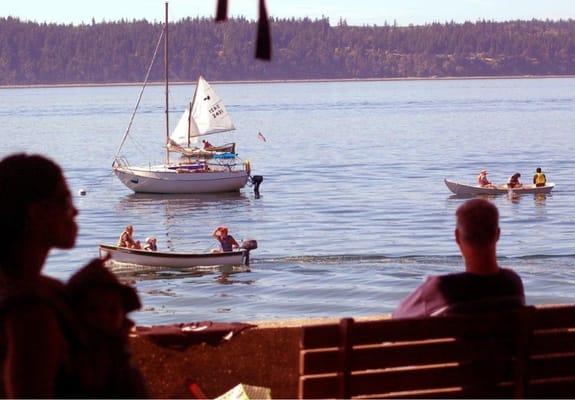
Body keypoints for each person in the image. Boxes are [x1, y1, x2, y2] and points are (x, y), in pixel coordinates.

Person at [393, 199, 525, 318]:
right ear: (497, 234)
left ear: (457, 236)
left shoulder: (438, 289)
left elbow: (398, 318)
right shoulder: (512, 283)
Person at [66, 261, 148, 397]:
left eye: (112, 311)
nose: (103, 318)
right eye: (92, 310)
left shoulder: (123, 362)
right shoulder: (72, 362)